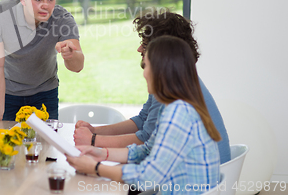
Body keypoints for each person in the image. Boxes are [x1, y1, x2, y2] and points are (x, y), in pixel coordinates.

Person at [67, 36, 221, 194]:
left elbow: (147, 178)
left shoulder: (178, 113)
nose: (144, 74)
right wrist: (102, 153)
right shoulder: (173, 106)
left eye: (146, 66)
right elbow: (147, 150)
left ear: (161, 71)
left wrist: (95, 168)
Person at [73, 10, 231, 164]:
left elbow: (145, 141)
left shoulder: (172, 90)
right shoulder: (179, 77)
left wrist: (94, 141)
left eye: (145, 44)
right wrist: (95, 131)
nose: (139, 49)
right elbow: (143, 120)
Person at [0, 0, 85, 121]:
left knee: (46, 143)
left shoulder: (62, 19)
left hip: (45, 92)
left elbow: (77, 66)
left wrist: (70, 55)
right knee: (9, 142)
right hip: (9, 93)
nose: (45, 6)